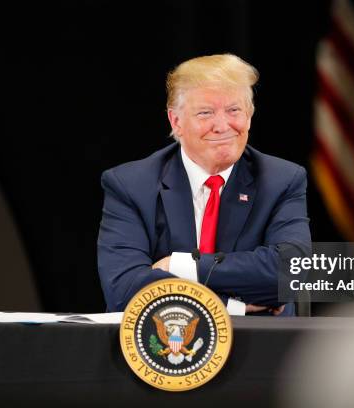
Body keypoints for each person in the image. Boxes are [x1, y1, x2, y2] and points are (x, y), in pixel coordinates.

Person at [97, 54, 311, 316]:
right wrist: (232, 306)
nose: (222, 126)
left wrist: (182, 266)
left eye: (234, 110)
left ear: (250, 116)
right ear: (176, 121)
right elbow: (124, 290)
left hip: (265, 347)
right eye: (206, 113)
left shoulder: (282, 180)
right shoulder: (131, 185)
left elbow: (292, 273)